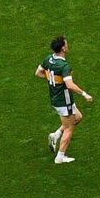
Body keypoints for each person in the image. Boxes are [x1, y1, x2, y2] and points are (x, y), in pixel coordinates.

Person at [35, 36, 93, 164]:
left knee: (78, 117)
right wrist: (85, 94)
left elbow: (38, 73)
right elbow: (70, 85)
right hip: (63, 101)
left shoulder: (48, 59)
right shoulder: (64, 66)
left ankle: (55, 135)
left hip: (55, 98)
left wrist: (54, 80)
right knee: (69, 128)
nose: (67, 44)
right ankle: (60, 157)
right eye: (66, 43)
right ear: (63, 48)